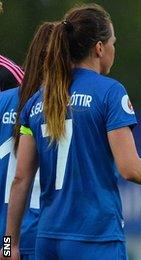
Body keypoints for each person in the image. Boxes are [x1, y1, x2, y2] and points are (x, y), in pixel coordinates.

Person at [5, 4, 141, 259]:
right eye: (113, 42)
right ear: (99, 48)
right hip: (95, 238)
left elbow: (20, 179)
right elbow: (129, 168)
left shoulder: (38, 100)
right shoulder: (110, 92)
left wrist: (9, 245)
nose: (114, 49)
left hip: (48, 239)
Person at [0, 21, 54, 260]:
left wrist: (8, 245)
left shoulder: (4, 102)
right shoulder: (58, 107)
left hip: (7, 241)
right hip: (39, 238)